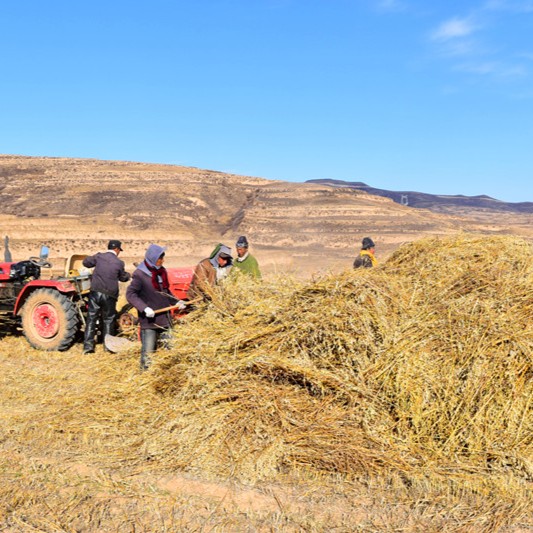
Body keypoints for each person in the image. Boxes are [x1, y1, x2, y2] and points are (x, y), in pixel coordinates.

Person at [126, 244, 178, 370]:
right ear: (153, 258)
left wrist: (176, 302)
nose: (162, 261)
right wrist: (144, 308)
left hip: (165, 319)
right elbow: (130, 294)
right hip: (149, 322)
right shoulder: (140, 274)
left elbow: (165, 291)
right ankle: (145, 376)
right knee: (148, 354)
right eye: (160, 258)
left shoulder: (161, 271)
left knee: (171, 350)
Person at [82, 239, 131, 354]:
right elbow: (123, 278)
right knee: (108, 320)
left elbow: (86, 263)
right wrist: (128, 275)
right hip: (110, 295)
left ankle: (88, 347)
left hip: (95, 292)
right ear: (117, 249)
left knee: (91, 318)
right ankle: (108, 348)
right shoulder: (119, 263)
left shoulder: (99, 257)